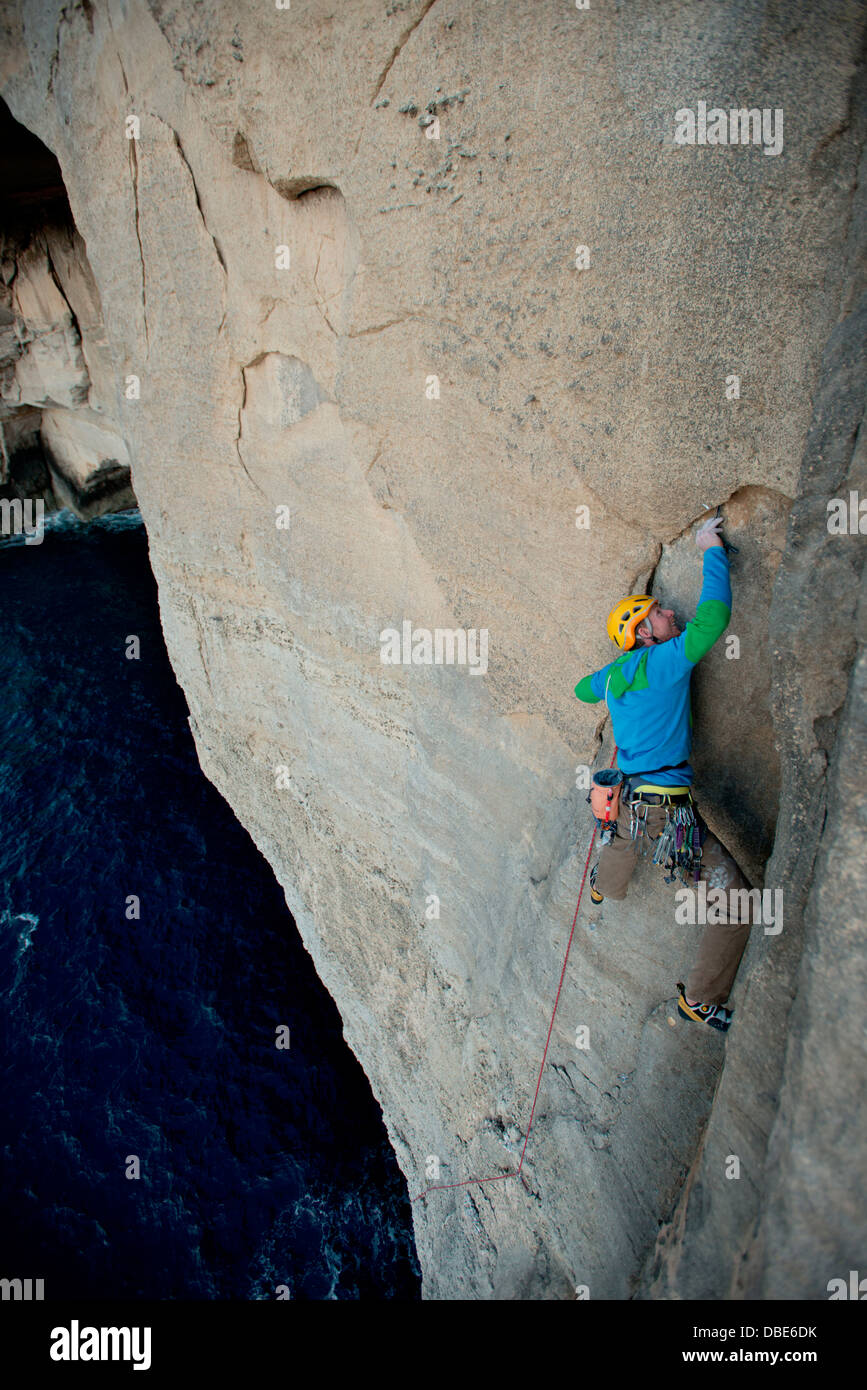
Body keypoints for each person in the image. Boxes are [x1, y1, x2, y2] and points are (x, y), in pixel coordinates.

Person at [573, 516, 752, 1032]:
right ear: (645, 635)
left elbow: (583, 689)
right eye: (658, 614)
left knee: (625, 837)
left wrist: (615, 674)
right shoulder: (664, 662)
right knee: (736, 904)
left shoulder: (615, 676)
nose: (671, 612)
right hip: (667, 810)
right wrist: (711, 547)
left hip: (633, 795)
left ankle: (605, 886)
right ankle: (699, 1000)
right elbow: (713, 621)